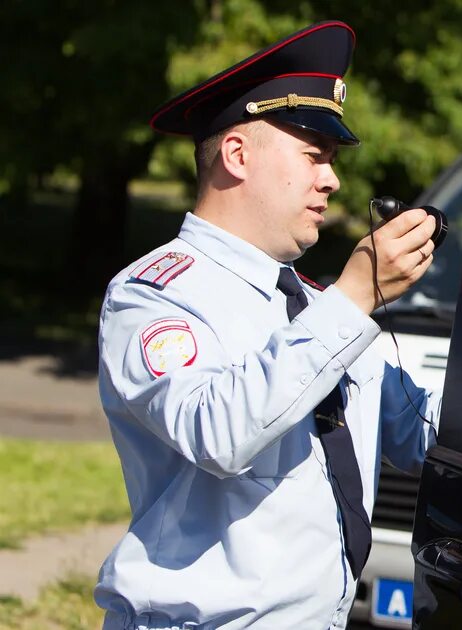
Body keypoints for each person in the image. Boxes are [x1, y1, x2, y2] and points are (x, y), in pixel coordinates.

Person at [94, 21, 441, 629]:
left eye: (330, 161)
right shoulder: (155, 293)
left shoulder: (321, 307)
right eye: (314, 155)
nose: (331, 179)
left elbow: (427, 438)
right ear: (237, 154)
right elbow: (218, 433)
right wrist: (355, 294)